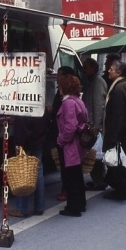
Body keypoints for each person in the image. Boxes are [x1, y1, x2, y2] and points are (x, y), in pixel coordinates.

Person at [103, 60, 126, 200]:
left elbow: (120, 115)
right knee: (124, 161)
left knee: (119, 163)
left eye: (111, 69)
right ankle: (124, 190)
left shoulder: (119, 88)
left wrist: (115, 136)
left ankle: (121, 191)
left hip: (120, 134)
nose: (108, 71)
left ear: (119, 72)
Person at [56, 74, 88, 217]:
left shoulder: (68, 103)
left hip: (71, 145)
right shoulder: (78, 100)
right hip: (78, 144)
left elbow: (70, 127)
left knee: (71, 177)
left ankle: (73, 207)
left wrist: (61, 140)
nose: (58, 88)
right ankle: (80, 204)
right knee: (77, 176)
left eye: (60, 85)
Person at [8, 112, 50, 218]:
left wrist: (18, 143)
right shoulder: (40, 104)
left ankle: (22, 209)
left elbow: (22, 125)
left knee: (23, 173)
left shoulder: (25, 105)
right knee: (38, 171)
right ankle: (39, 207)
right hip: (39, 138)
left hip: (26, 142)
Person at [48, 66, 76, 202]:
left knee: (68, 165)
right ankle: (70, 192)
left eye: (59, 75)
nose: (57, 77)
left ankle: (68, 193)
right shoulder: (66, 98)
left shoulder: (68, 101)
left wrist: (61, 139)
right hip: (62, 136)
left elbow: (69, 124)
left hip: (65, 138)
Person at [81, 57, 107, 190]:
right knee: (94, 155)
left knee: (95, 155)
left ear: (93, 68)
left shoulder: (97, 82)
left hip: (95, 126)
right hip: (93, 124)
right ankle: (98, 179)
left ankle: (99, 180)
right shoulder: (93, 81)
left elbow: (98, 105)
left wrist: (97, 126)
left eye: (86, 67)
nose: (83, 70)